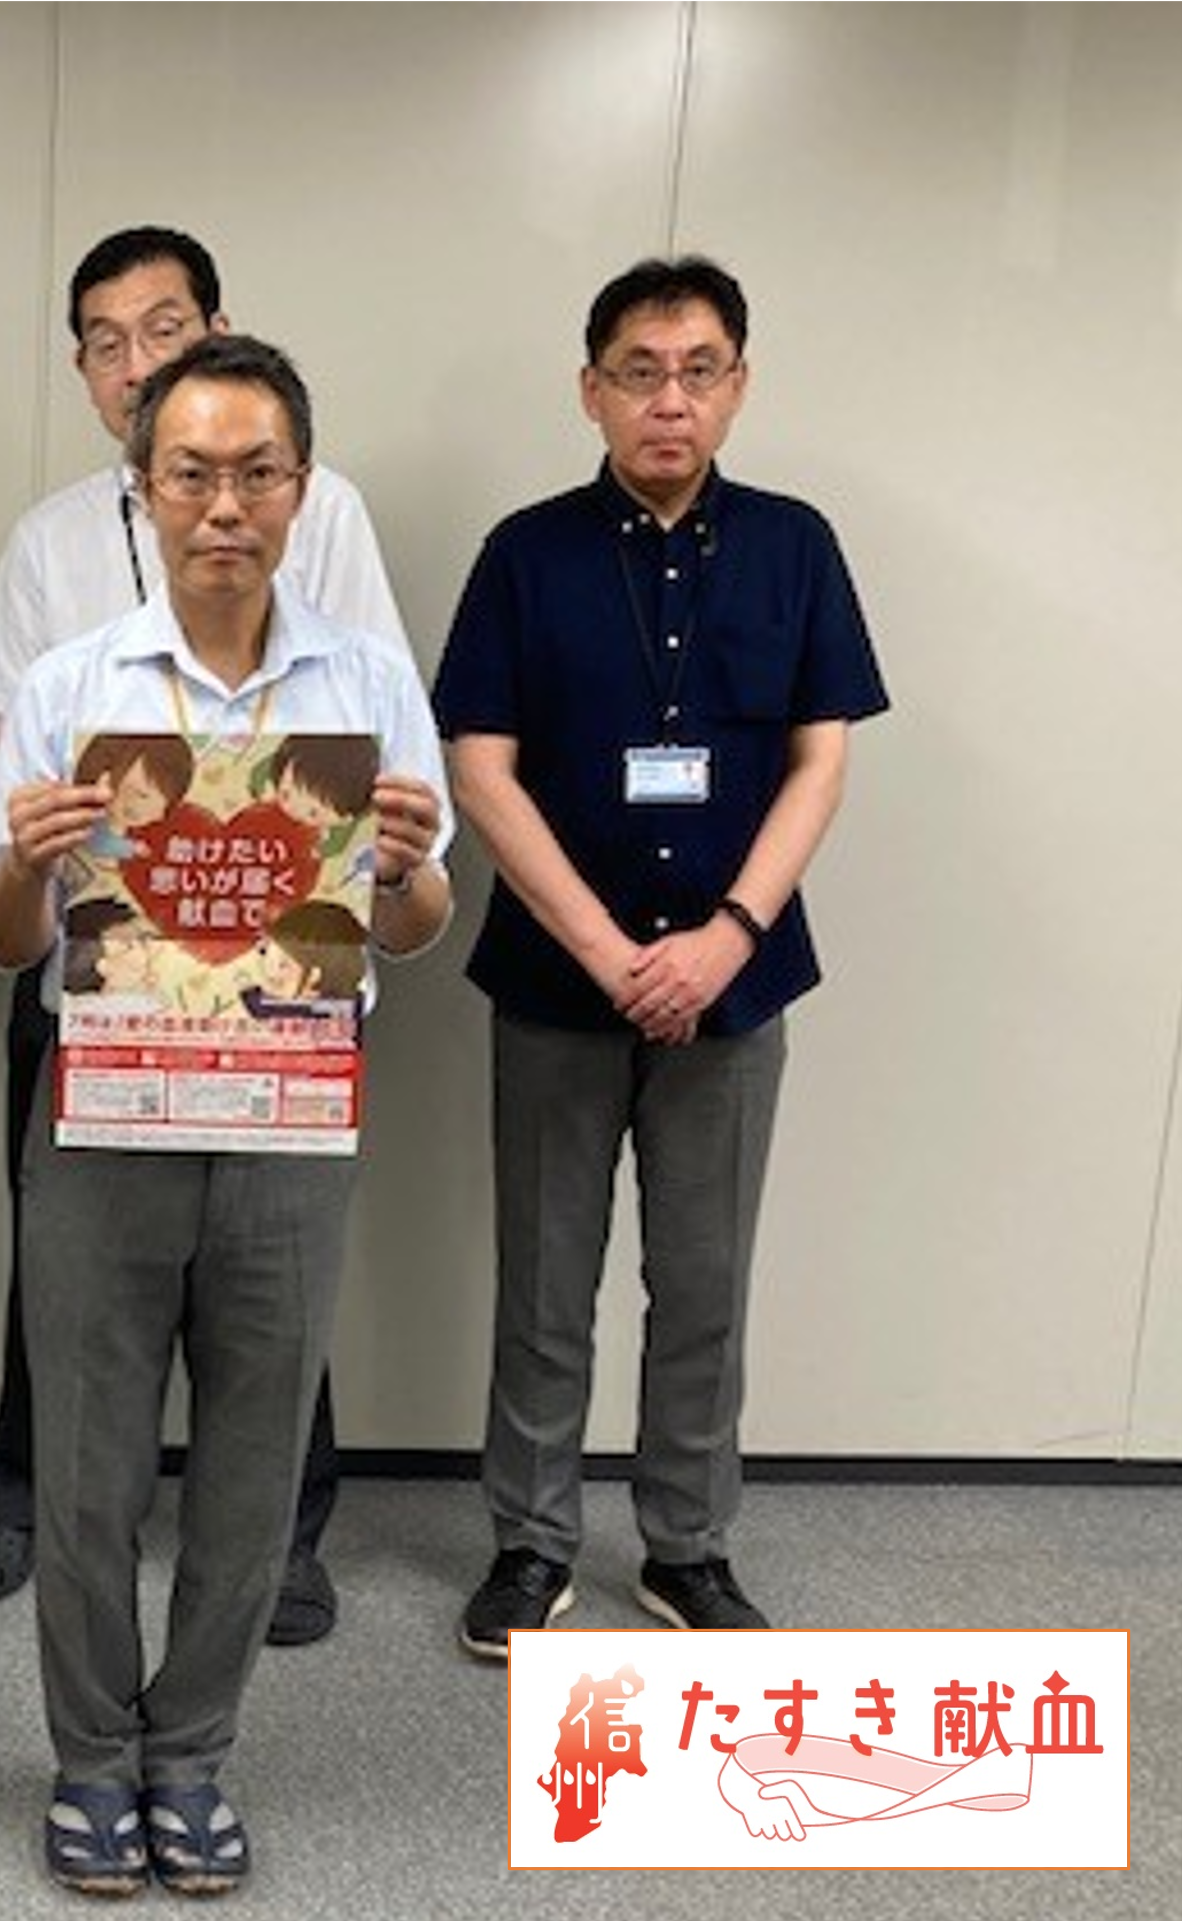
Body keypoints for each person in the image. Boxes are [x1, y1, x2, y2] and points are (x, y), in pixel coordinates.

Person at [0, 333, 451, 1896]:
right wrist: (28, 863)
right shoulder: (71, 687)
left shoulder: (363, 684)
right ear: (144, 487)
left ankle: (192, 1756)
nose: (223, 506)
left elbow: (413, 927)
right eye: (190, 474)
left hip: (289, 1116)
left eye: (255, 474)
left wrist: (405, 868)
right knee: (87, 1463)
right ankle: (89, 1759)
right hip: (103, 1112)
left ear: (299, 490)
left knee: (249, 1468)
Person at [432, 255, 888, 1659]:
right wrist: (603, 948)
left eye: (698, 371)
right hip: (554, 987)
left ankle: (687, 1546)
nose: (668, 400)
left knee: (702, 1285)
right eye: (638, 372)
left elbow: (819, 761)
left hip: (734, 988)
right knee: (544, 1283)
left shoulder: (795, 546)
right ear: (591, 390)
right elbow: (479, 765)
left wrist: (725, 937)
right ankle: (530, 1542)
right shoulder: (526, 553)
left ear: (738, 387)